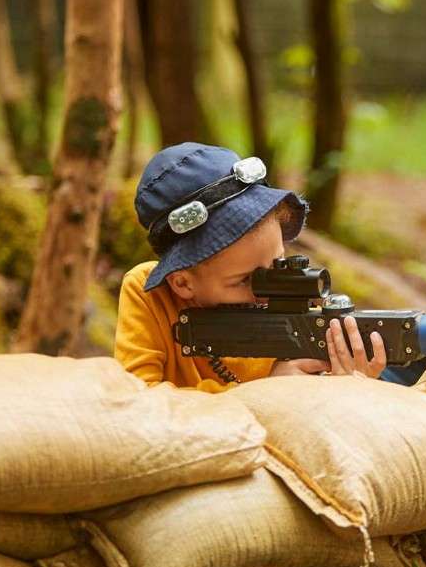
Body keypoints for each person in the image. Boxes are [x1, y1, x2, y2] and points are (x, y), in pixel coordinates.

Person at [114, 142, 387, 392]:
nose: (270, 290)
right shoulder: (149, 295)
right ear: (182, 282)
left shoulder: (297, 313)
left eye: (278, 265)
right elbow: (138, 403)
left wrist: (348, 386)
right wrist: (265, 391)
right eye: (245, 280)